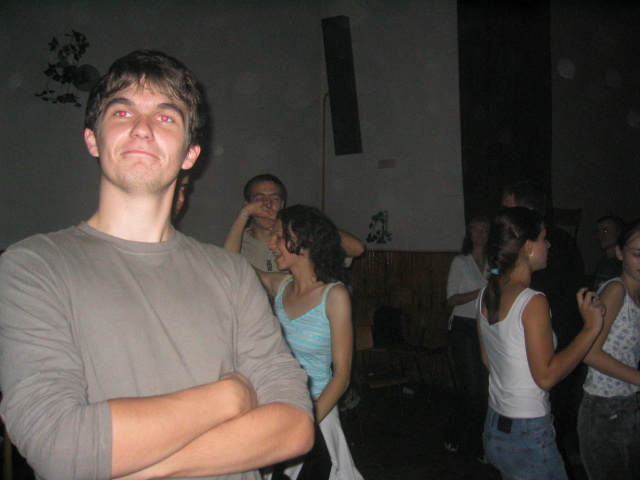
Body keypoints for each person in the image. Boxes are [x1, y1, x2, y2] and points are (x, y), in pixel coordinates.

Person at [0, 50, 313, 480]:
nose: (143, 128)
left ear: (190, 154)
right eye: (123, 112)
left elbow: (294, 426)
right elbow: (58, 445)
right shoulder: (34, 267)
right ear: (92, 139)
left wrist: (140, 467)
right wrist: (227, 397)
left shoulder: (233, 275)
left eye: (165, 117)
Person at [478, 207, 604, 480]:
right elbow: (546, 376)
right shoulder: (532, 301)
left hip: (496, 426)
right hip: (527, 432)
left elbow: (488, 359)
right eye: (544, 238)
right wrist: (591, 328)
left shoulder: (487, 292)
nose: (548, 245)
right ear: (527, 247)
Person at [253, 205, 364, 480]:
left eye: (279, 237)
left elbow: (342, 376)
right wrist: (244, 214)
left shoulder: (334, 296)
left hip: (317, 412)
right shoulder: (280, 286)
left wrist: (307, 422)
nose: (271, 244)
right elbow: (233, 263)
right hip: (279, 406)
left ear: (305, 242)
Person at [502, 182, 586, 474]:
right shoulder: (507, 279)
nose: (502, 216)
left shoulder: (552, 246)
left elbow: (565, 309)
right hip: (524, 394)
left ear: (527, 211)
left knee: (551, 425)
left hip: (554, 353)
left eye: (508, 209)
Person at [578, 218, 640, 480]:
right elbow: (589, 353)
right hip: (603, 409)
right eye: (637, 254)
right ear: (619, 253)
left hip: (627, 403)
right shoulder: (616, 290)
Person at [224, 174, 364, 273]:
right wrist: (245, 213)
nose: (267, 205)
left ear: (282, 204)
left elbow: (357, 248)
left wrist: (305, 223)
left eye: (274, 199)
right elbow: (226, 268)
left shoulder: (300, 237)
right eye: (260, 199)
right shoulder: (238, 240)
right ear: (248, 204)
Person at [444, 216, 490, 461]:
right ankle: (455, 433)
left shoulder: (493, 264)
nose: (481, 233)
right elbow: (451, 299)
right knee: (471, 388)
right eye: (476, 229)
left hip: (486, 327)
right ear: (469, 233)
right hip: (463, 327)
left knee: (484, 388)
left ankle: (479, 442)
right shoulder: (460, 261)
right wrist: (482, 292)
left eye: (485, 229)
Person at [592, 215, 626, 291]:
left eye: (605, 232)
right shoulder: (602, 262)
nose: (600, 236)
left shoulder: (624, 264)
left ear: (619, 233)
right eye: (598, 233)